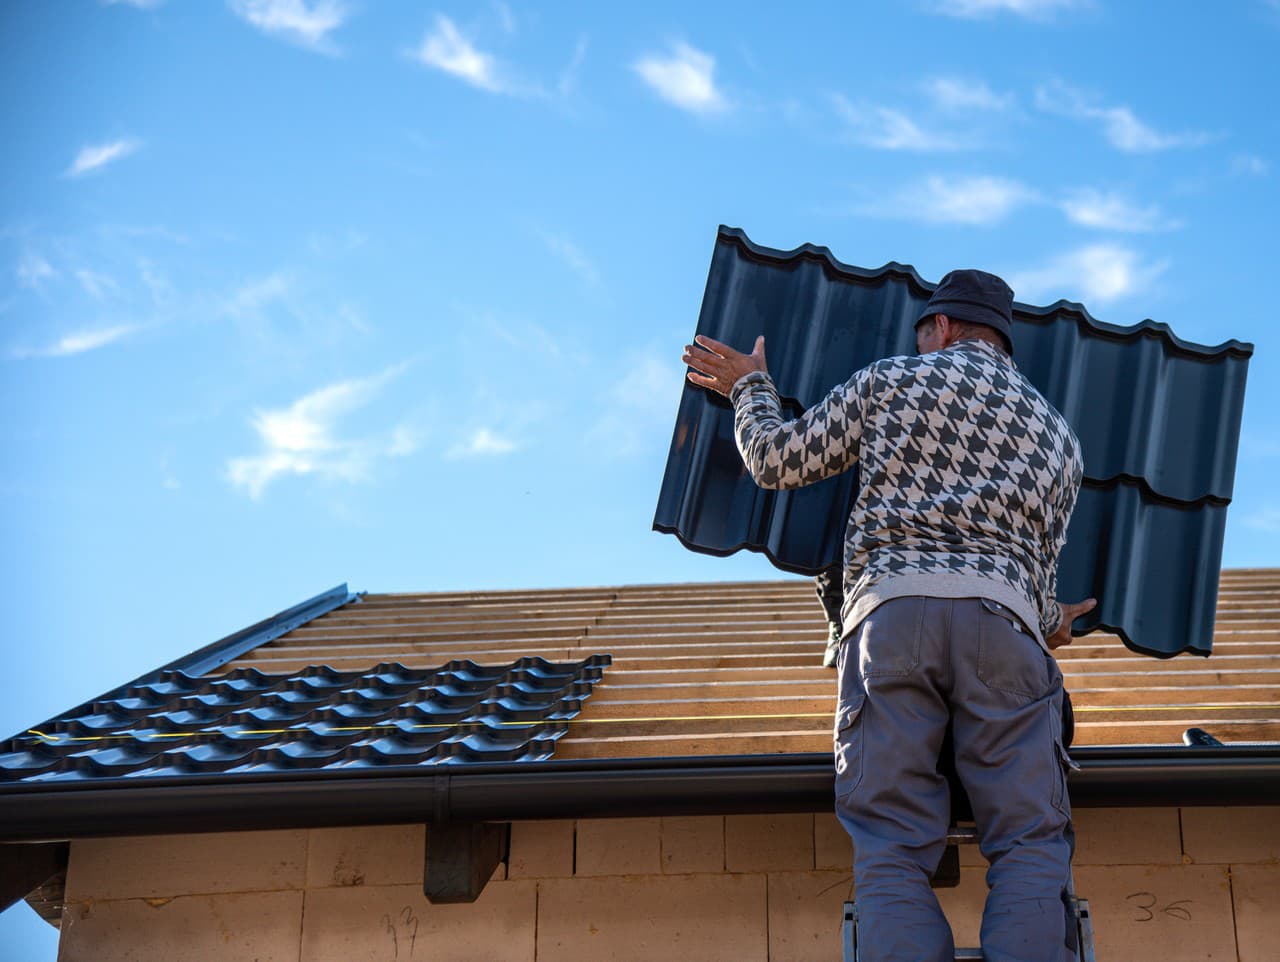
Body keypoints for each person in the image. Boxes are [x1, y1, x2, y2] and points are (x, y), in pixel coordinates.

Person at [681, 269, 1097, 962]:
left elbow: (776, 462)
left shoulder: (889, 381)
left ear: (943, 327)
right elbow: (1038, 583)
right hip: (1004, 629)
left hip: (892, 621)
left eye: (923, 334)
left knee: (892, 846)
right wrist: (1055, 618)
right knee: (1030, 841)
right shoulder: (1059, 439)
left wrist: (750, 388)